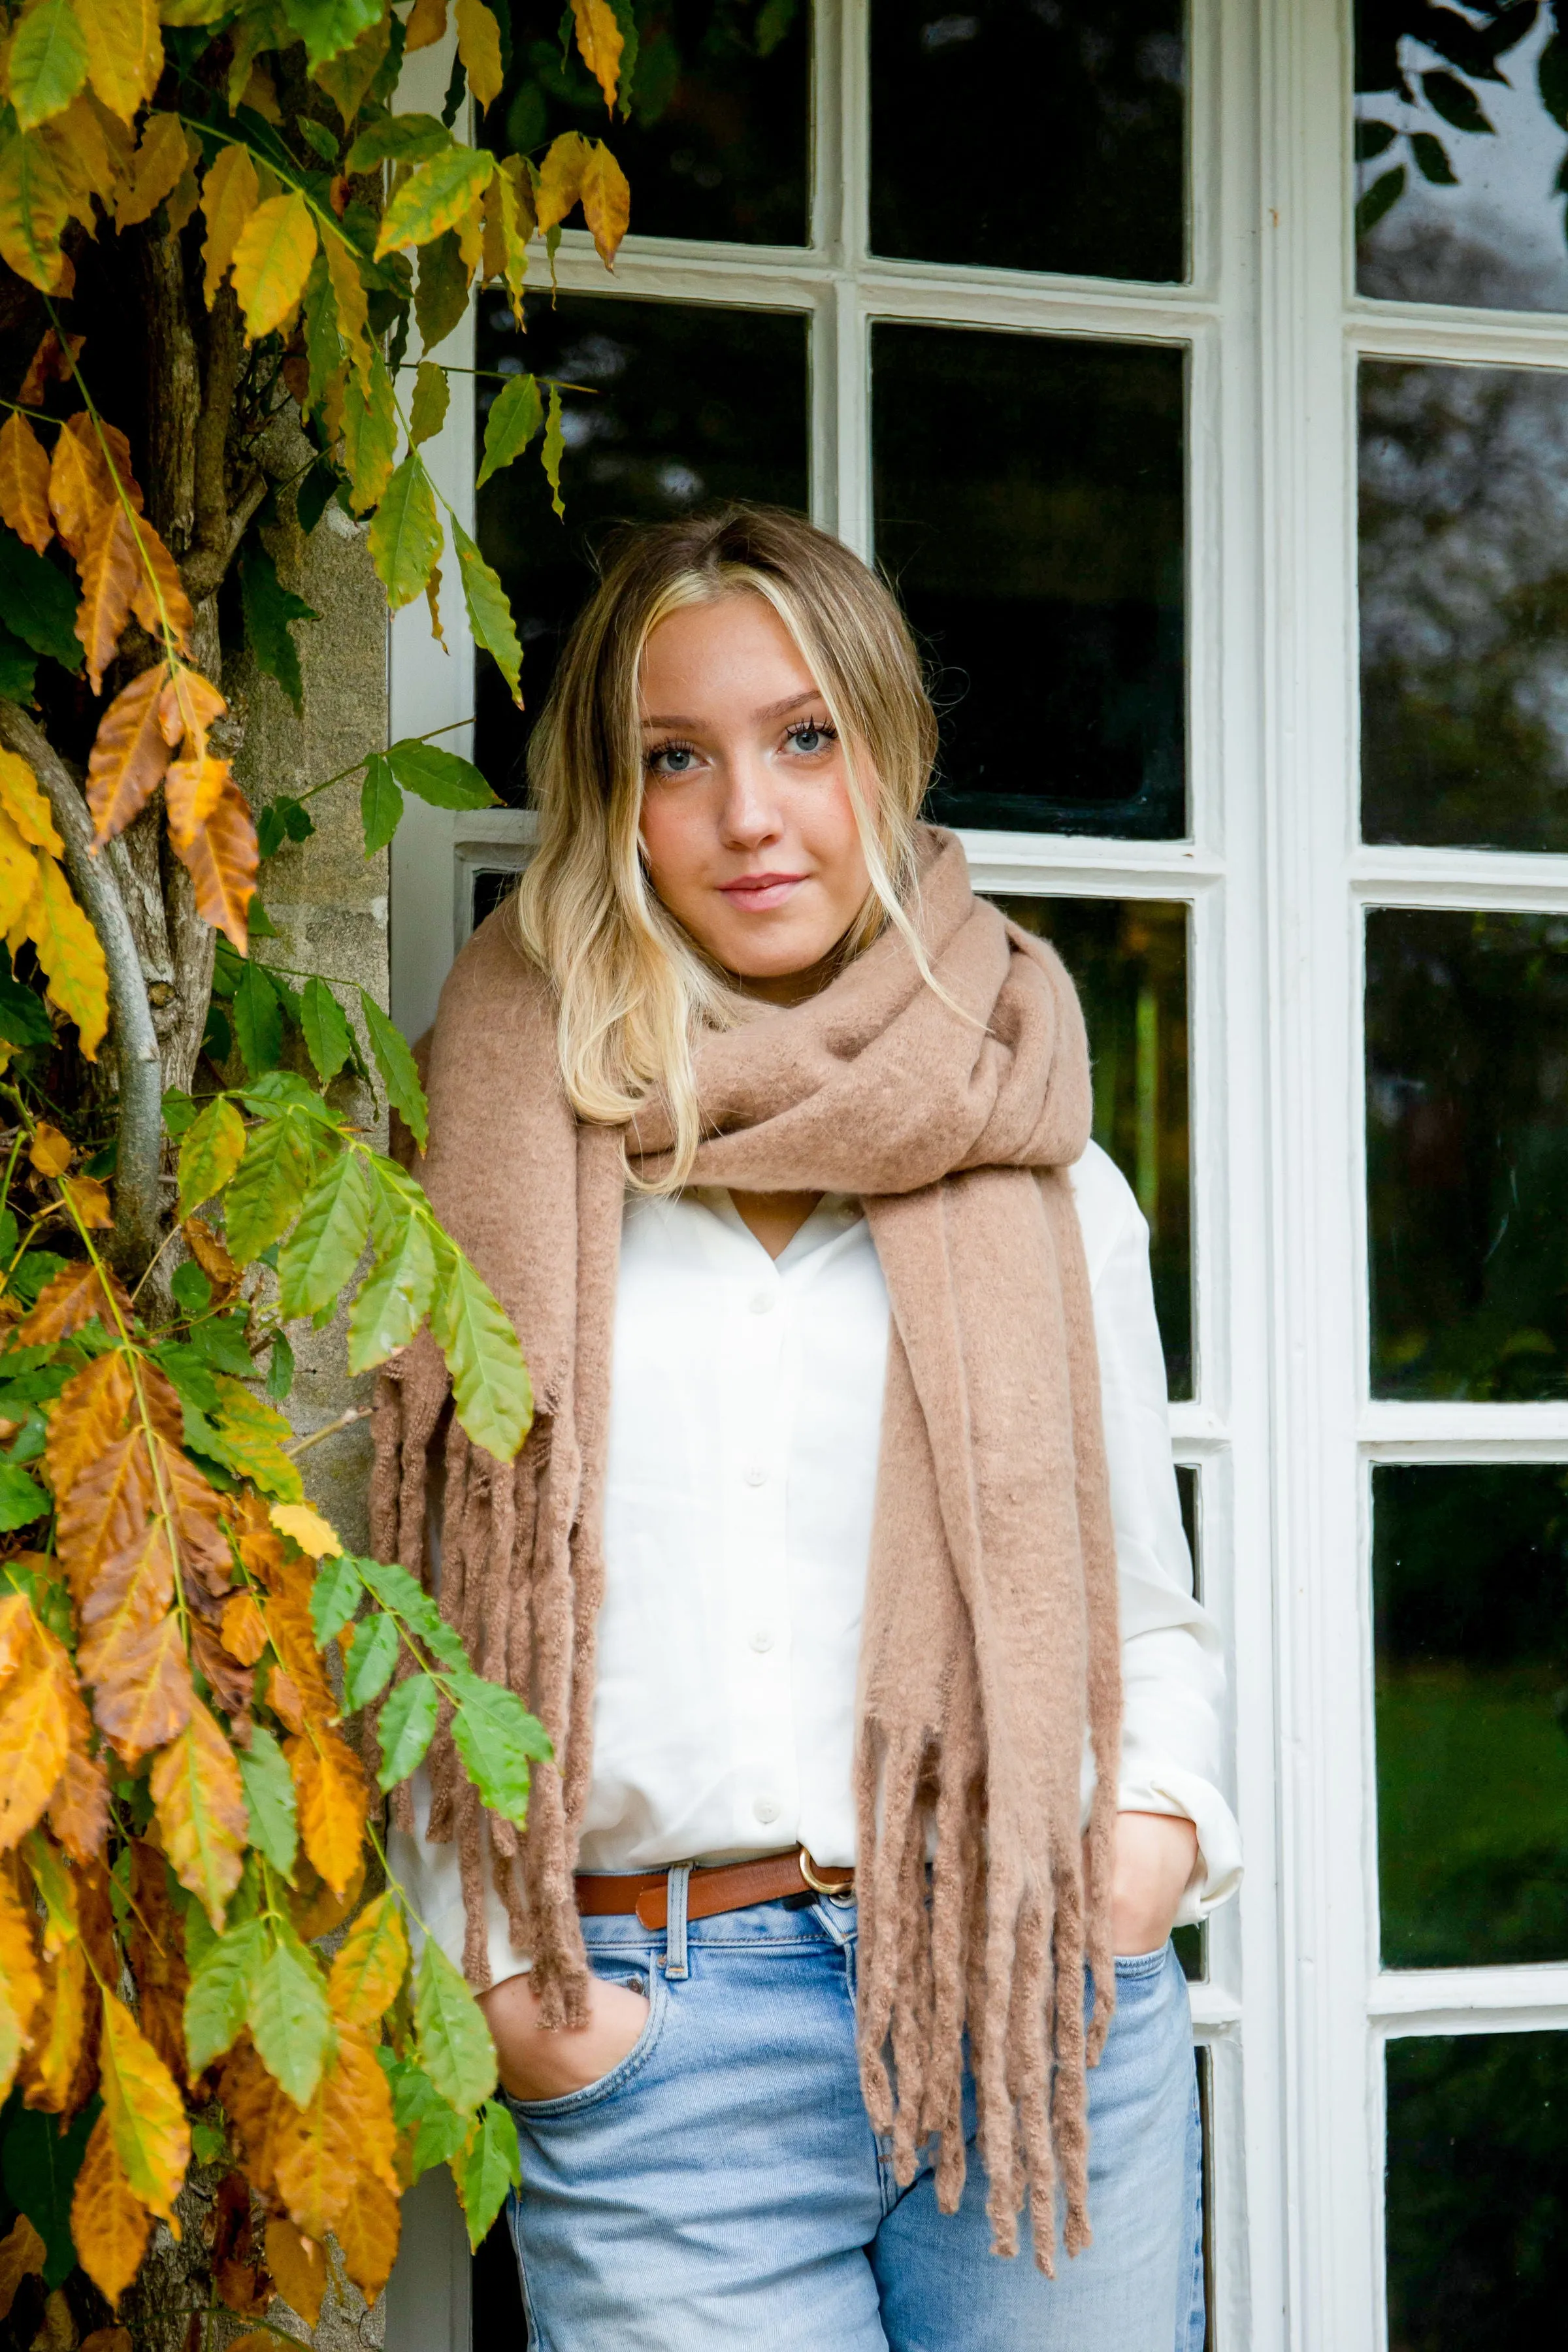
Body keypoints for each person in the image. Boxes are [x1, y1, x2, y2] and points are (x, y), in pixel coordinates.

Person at [375, 504, 1241, 2352]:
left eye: (802, 740)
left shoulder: (1035, 1149)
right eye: (673, 759)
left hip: (1028, 1993)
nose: (748, 816)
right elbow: (414, 1612)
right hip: (657, 2031)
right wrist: (515, 1984)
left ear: (885, 756)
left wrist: (1140, 1854)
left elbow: (1143, 1615)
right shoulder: (494, 1149)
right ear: (609, 801)